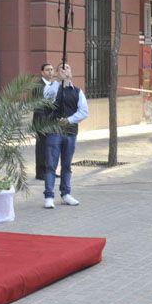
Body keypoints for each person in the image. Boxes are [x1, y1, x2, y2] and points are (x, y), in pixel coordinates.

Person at [42, 63, 88, 209]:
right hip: (54, 132)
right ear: (57, 73)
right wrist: (57, 82)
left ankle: (66, 194)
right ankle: (49, 196)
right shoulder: (52, 88)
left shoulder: (78, 91)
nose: (65, 70)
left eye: (67, 67)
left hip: (70, 133)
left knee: (67, 165)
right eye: (61, 68)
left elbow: (84, 111)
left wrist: (68, 120)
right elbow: (47, 98)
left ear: (71, 72)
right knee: (51, 165)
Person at [34, 62, 55, 181]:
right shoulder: (38, 85)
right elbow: (37, 106)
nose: (50, 72)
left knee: (51, 147)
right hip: (41, 123)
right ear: (42, 72)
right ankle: (40, 172)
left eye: (52, 70)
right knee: (42, 148)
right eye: (47, 70)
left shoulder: (54, 85)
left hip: (52, 122)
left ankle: (50, 171)